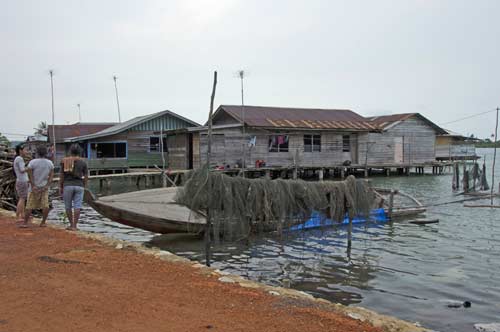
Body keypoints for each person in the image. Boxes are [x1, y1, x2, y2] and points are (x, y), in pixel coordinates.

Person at [23, 145, 54, 228]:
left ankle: (25, 223)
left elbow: (30, 175)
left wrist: (33, 185)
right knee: (45, 205)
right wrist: (47, 185)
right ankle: (43, 222)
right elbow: (51, 176)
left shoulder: (32, 162)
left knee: (29, 205)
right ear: (46, 153)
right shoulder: (50, 163)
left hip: (34, 187)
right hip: (44, 187)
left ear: (37, 153)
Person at [59, 144, 88, 231]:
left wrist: (60, 186)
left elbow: (61, 175)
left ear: (70, 151)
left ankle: (71, 225)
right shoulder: (83, 162)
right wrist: (85, 186)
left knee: (68, 206)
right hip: (79, 185)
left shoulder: (64, 161)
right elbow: (86, 176)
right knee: (77, 206)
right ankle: (75, 226)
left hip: (67, 185)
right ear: (79, 152)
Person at [13, 144, 29, 222]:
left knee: (22, 198)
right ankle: (18, 216)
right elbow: (22, 170)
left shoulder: (18, 158)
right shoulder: (19, 159)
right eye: (25, 150)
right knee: (22, 199)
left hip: (21, 180)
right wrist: (29, 168)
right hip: (22, 181)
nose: (27, 152)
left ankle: (22, 215)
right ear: (20, 150)